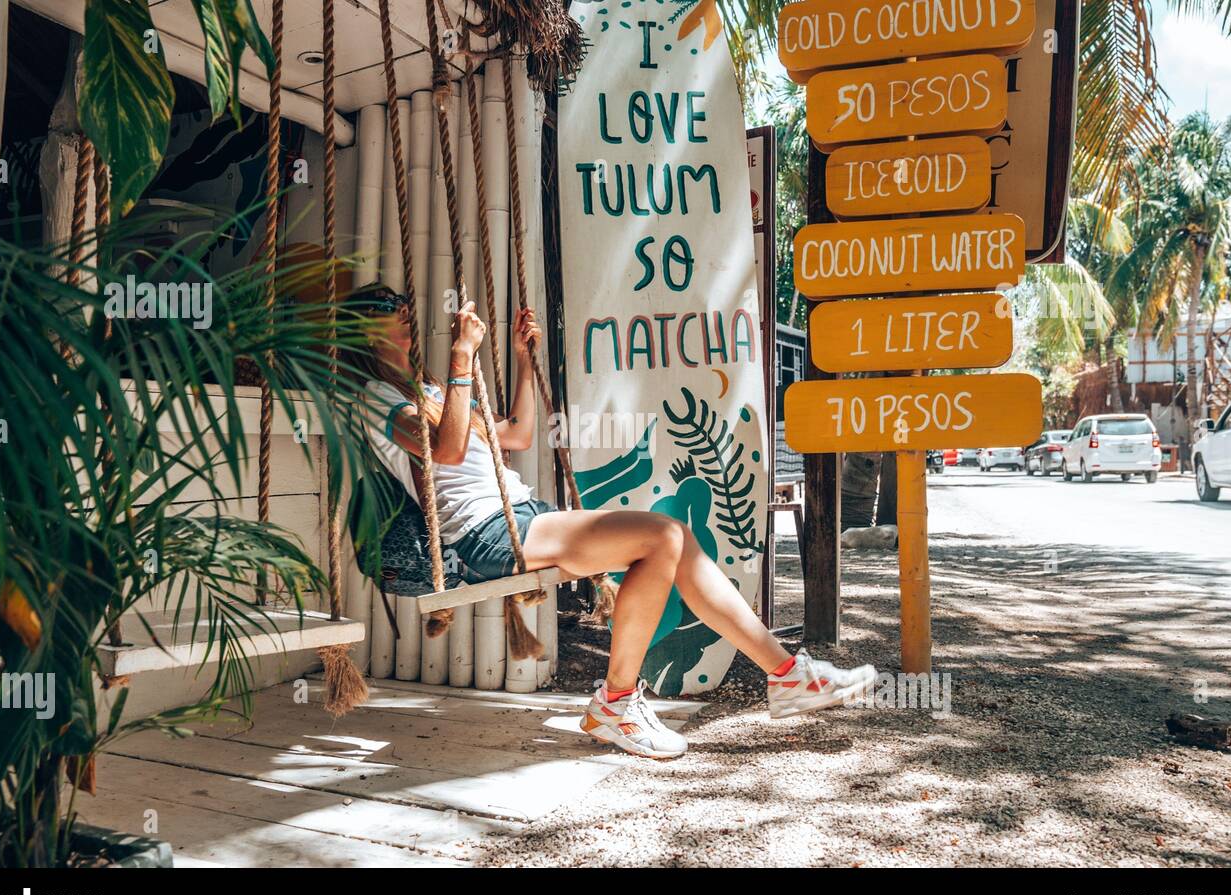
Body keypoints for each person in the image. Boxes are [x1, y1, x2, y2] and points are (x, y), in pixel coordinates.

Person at [360, 293, 876, 759]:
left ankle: (781, 678)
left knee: (673, 541)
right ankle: (626, 701)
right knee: (663, 534)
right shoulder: (374, 398)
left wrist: (522, 362)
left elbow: (515, 435)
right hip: (483, 531)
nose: (403, 325)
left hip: (522, 514)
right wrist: (462, 358)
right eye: (389, 319)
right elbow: (446, 452)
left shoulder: (432, 390)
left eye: (405, 315)